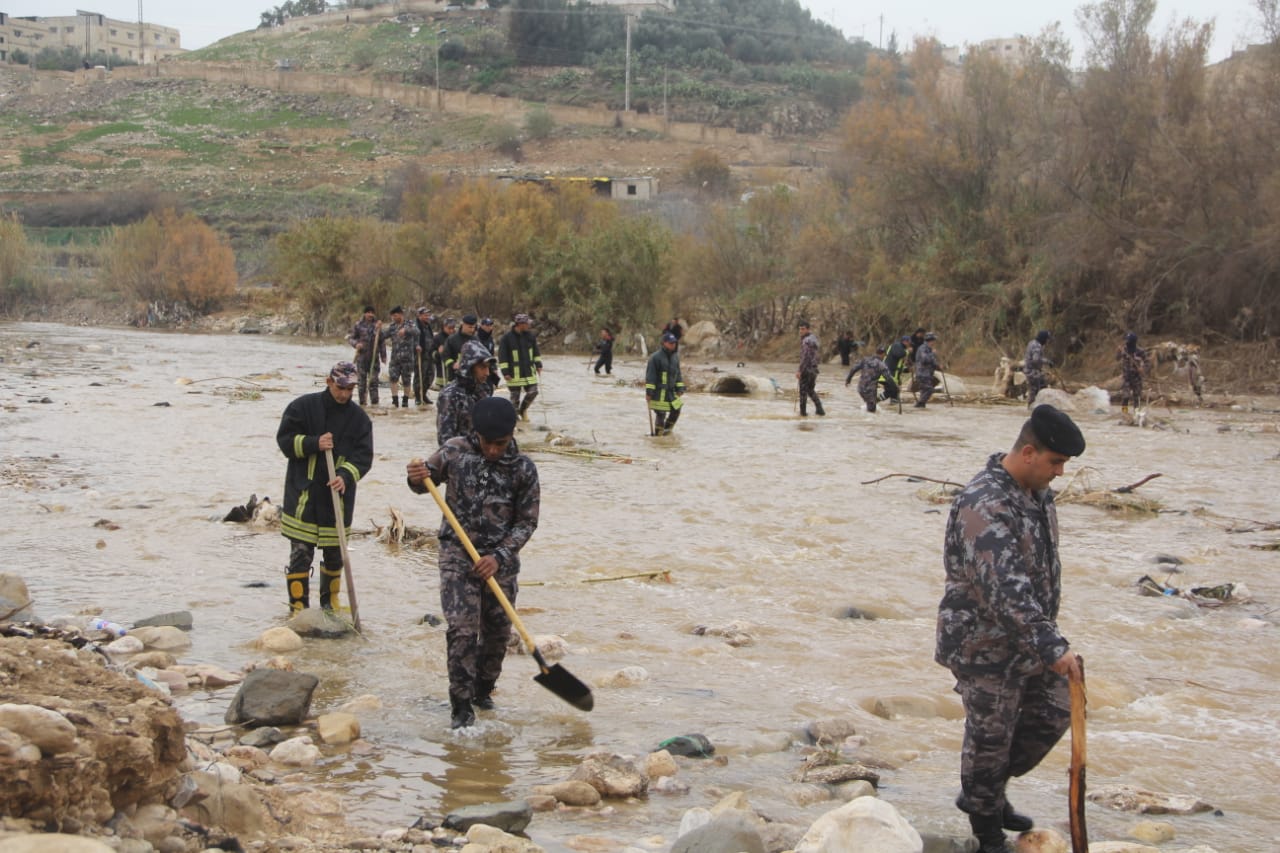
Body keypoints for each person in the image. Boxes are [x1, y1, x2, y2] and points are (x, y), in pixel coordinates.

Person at [936, 405, 1086, 853]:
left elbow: (1040, 571)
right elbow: (1004, 589)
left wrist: (1047, 639)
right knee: (990, 735)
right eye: (1055, 463)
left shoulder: (1037, 494)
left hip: (1028, 638)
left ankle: (988, 789)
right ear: (1027, 452)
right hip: (982, 642)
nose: (1059, 473)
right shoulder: (983, 503)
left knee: (1054, 710)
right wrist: (1052, 645)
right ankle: (986, 830)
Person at [406, 396, 540, 729]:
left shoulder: (523, 468)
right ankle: (461, 706)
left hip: (500, 559)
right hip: (458, 554)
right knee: (463, 630)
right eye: (488, 442)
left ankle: (483, 691)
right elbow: (423, 484)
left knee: (497, 633)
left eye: (501, 443)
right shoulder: (454, 451)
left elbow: (527, 522)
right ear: (476, 434)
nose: (494, 450)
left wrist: (500, 556)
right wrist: (415, 476)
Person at [276, 362, 374, 614]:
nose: (345, 394)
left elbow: (364, 457)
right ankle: (297, 610)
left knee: (334, 555)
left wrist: (345, 476)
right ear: (328, 382)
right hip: (304, 496)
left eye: (350, 388)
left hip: (337, 499)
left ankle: (330, 607)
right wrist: (313, 443)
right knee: (300, 554)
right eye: (341, 388)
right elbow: (285, 441)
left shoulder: (360, 419)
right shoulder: (302, 407)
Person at [437, 340, 496, 447]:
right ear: (470, 367)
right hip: (461, 457)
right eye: (482, 367)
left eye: (488, 367)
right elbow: (445, 440)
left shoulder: (484, 390)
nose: (487, 373)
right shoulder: (450, 395)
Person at [498, 313, 543, 421]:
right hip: (514, 374)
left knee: (533, 391)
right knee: (515, 399)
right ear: (520, 324)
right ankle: (515, 420)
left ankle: (523, 410)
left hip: (529, 372)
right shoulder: (506, 338)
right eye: (527, 324)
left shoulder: (530, 336)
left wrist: (538, 365)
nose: (529, 326)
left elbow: (536, 352)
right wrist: (505, 372)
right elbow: (502, 356)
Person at [646, 331, 685, 435]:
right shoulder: (655, 357)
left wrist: (680, 388)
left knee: (677, 409)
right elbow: (651, 376)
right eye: (671, 343)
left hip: (671, 393)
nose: (673, 345)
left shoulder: (675, 357)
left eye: (674, 343)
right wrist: (649, 392)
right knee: (661, 413)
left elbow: (678, 374)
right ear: (664, 343)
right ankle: (658, 435)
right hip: (659, 393)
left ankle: (667, 432)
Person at [345, 306, 385, 407]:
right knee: (361, 383)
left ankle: (375, 404)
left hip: (374, 359)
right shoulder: (358, 325)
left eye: (372, 312)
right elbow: (351, 338)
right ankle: (362, 404)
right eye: (368, 312)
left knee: (373, 382)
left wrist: (383, 356)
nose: (370, 315)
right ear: (364, 314)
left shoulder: (377, 325)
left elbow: (381, 342)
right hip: (362, 358)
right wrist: (356, 344)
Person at [385, 307, 418, 409]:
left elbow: (417, 332)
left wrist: (406, 330)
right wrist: (377, 330)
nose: (393, 318)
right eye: (392, 316)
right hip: (395, 358)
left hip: (407, 359)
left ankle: (405, 401)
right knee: (393, 378)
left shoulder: (410, 324)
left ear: (401, 315)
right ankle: (395, 401)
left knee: (406, 380)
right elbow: (383, 335)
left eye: (395, 315)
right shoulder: (392, 327)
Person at [845, 345, 893, 413]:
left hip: (860, 388)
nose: (884, 357)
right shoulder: (881, 365)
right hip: (870, 390)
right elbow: (888, 378)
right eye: (884, 355)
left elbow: (853, 369)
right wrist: (895, 388)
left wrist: (848, 380)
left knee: (870, 407)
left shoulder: (865, 360)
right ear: (883, 354)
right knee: (872, 411)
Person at [796, 321, 826, 417]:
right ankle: (820, 409)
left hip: (807, 369)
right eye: (800, 329)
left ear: (808, 329)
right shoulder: (814, 339)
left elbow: (805, 357)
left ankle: (803, 414)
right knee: (810, 390)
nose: (801, 331)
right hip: (814, 369)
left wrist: (800, 370)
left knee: (803, 392)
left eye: (803, 329)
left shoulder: (806, 341)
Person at [1117, 332, 1148, 414]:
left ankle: (1136, 414)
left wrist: (1142, 368)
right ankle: (1124, 413)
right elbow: (1117, 358)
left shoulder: (1140, 351)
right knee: (1125, 397)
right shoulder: (1124, 350)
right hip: (1126, 377)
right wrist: (1118, 351)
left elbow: (1147, 363)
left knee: (1137, 398)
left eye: (1129, 341)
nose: (1127, 343)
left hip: (1137, 378)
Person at [443, 314, 478, 385]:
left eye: (473, 327)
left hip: (471, 377)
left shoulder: (476, 340)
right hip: (455, 376)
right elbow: (445, 356)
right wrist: (452, 364)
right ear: (463, 325)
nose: (472, 330)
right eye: (470, 327)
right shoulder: (452, 339)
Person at [1024, 330, 1053, 406]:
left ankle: (1033, 408)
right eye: (1047, 339)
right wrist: (1048, 361)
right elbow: (1036, 359)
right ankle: (1033, 410)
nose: (1048, 341)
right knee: (1036, 394)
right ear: (1043, 339)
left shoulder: (1032, 343)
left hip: (1029, 371)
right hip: (1033, 373)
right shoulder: (1037, 346)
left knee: (1035, 392)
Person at [414, 307, 435, 407]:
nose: (427, 317)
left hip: (429, 355)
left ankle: (424, 394)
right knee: (419, 377)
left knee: (430, 376)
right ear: (419, 315)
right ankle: (418, 397)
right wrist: (416, 346)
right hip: (420, 355)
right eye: (425, 315)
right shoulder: (415, 326)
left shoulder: (428, 326)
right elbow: (411, 339)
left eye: (428, 315)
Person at [914, 332, 940, 408]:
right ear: (930, 340)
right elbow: (924, 359)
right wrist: (933, 354)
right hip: (922, 374)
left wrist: (938, 366)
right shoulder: (923, 348)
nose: (934, 342)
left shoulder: (929, 349)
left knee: (924, 392)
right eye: (934, 340)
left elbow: (932, 362)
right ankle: (919, 403)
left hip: (928, 374)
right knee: (930, 390)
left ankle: (920, 406)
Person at [431, 317, 456, 392]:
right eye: (449, 328)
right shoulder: (437, 338)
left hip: (454, 371)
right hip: (442, 372)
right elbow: (431, 354)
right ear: (444, 327)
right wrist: (438, 353)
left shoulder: (456, 337)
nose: (451, 330)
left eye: (453, 328)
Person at [475, 317, 501, 390]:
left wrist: (494, 368)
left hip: (489, 367)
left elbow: (491, 354)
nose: (489, 327)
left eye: (490, 325)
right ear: (482, 326)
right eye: (487, 325)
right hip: (479, 367)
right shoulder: (476, 338)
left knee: (489, 389)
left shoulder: (490, 339)